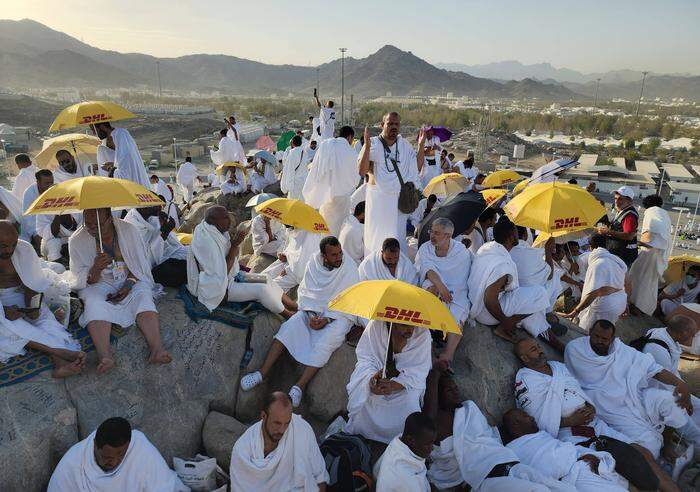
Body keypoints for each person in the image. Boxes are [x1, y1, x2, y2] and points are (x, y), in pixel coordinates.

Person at [513, 338, 661, 491]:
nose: (540, 350)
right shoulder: (526, 380)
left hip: (594, 422)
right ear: (524, 358)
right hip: (569, 433)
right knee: (615, 470)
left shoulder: (558, 367)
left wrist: (590, 407)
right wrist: (571, 420)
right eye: (533, 350)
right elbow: (537, 421)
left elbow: (578, 390)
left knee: (642, 453)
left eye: (538, 346)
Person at [241, 236, 358, 406]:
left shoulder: (349, 268)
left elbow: (350, 301)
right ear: (324, 256)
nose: (339, 257)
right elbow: (306, 294)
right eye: (334, 255)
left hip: (338, 316)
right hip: (312, 312)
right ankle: (262, 373)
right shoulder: (313, 264)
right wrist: (311, 316)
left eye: (339, 253)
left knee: (327, 342)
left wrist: (326, 319)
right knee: (288, 327)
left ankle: (299, 387)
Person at [565, 319, 693, 459]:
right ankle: (655, 460)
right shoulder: (575, 349)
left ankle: (668, 444)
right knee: (650, 444)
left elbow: (653, 369)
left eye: (604, 339)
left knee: (673, 401)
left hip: (634, 396)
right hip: (608, 407)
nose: (599, 341)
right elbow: (574, 381)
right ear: (590, 332)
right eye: (596, 336)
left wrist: (681, 384)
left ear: (612, 339)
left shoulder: (621, 350)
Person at [69, 208, 171, 374]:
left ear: (109, 218)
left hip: (129, 279)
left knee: (143, 295)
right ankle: (105, 356)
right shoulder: (76, 240)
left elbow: (139, 266)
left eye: (98, 224)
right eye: (88, 224)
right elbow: (80, 279)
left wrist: (128, 285)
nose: (93, 228)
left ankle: (157, 349)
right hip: (99, 284)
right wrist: (95, 269)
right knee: (93, 303)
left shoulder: (128, 230)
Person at [422, 376, 560, 492]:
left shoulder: (468, 409)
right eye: (449, 390)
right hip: (486, 479)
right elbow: (429, 417)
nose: (455, 392)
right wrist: (435, 373)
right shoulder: (439, 421)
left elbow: (487, 436)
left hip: (506, 464)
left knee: (561, 488)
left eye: (455, 388)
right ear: (438, 396)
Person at [0, 221, 84, 377]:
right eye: (3, 246)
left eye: (13, 244)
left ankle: (60, 365)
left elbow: (34, 282)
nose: (10, 250)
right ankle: (59, 351)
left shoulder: (24, 248)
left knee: (45, 320)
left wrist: (32, 307)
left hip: (20, 294)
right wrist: (5, 311)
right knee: (12, 327)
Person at [467, 217, 560, 348]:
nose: (518, 235)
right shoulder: (502, 264)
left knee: (524, 296)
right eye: (516, 232)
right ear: (511, 237)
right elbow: (490, 300)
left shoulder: (487, 247)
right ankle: (505, 327)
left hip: (476, 305)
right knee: (540, 294)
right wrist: (506, 322)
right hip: (486, 314)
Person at [186, 206, 292, 317]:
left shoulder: (215, 230)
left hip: (233, 277)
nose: (230, 220)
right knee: (262, 289)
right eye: (225, 217)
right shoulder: (207, 243)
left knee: (266, 278)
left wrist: (234, 242)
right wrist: (235, 245)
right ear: (213, 220)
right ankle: (287, 314)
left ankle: (293, 306)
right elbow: (222, 273)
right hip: (218, 289)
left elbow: (225, 256)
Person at [344, 320, 432, 444]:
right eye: (404, 324)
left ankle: (398, 442)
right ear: (393, 321)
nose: (410, 330)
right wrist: (372, 380)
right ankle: (362, 433)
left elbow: (418, 372)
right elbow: (366, 359)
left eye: (413, 325)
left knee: (410, 402)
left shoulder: (423, 334)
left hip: (405, 385)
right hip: (377, 381)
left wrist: (393, 385)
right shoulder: (376, 325)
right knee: (366, 395)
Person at [48, 417, 187, 491]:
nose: (115, 462)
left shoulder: (139, 447)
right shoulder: (72, 466)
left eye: (121, 455)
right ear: (96, 445)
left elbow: (163, 486)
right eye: (107, 458)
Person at [503, 409, 629, 492]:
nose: (531, 417)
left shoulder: (540, 435)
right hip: (574, 478)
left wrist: (586, 455)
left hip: (584, 465)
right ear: (515, 425)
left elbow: (565, 450)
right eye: (525, 416)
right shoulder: (514, 451)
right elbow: (542, 470)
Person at [229, 392, 328, 490]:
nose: (282, 430)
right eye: (277, 423)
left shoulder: (301, 429)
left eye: (287, 423)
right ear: (263, 416)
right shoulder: (242, 451)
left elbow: (320, 478)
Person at [358, 113, 426, 256]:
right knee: (376, 237)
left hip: (398, 202)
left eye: (397, 124)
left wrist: (421, 146)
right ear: (382, 125)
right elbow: (362, 170)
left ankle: (394, 269)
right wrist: (367, 148)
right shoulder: (374, 144)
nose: (394, 127)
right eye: (390, 124)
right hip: (378, 200)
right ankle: (374, 266)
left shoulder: (404, 146)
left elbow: (417, 168)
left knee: (396, 236)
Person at [642, 315, 700, 455]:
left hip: (671, 389)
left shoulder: (667, 336)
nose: (693, 339)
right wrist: (685, 400)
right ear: (682, 333)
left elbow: (673, 374)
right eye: (692, 335)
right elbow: (665, 383)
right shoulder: (657, 350)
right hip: (656, 394)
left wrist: (686, 392)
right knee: (692, 430)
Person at [414, 218, 469, 364]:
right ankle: (427, 342)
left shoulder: (461, 251)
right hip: (433, 283)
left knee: (458, 311)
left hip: (457, 289)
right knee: (431, 289)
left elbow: (461, 279)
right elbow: (426, 269)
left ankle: (447, 355)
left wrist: (449, 290)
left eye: (437, 233)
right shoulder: (425, 248)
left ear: (448, 236)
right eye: (432, 231)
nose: (432, 235)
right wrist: (440, 286)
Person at [560, 234, 628, 332]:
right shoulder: (617, 261)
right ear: (607, 246)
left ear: (590, 247)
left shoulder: (597, 264)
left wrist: (576, 311)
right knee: (607, 330)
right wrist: (626, 303)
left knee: (588, 331)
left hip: (605, 306)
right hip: (620, 302)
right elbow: (628, 284)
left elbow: (593, 293)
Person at [302, 126, 359, 235]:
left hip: (325, 194)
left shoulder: (325, 145)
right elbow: (356, 178)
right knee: (339, 229)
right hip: (342, 197)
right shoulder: (351, 153)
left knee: (325, 226)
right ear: (350, 137)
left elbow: (315, 167)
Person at [628, 194, 672, 315]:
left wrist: (635, 241)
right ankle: (644, 308)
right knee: (650, 283)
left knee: (636, 277)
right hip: (659, 253)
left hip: (649, 253)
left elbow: (648, 234)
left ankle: (636, 306)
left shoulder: (650, 211)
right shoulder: (664, 213)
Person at [123, 206, 188, 288]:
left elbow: (172, 244)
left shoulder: (152, 219)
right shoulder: (131, 225)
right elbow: (144, 257)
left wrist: (164, 227)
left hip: (163, 254)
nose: (160, 207)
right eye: (155, 206)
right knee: (176, 270)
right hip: (146, 267)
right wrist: (164, 233)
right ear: (144, 208)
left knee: (189, 253)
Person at [372, 412, 434, 491]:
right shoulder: (407, 479)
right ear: (411, 440)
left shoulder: (398, 443)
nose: (432, 448)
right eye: (428, 444)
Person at [510, 228, 563, 314]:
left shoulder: (507, 248)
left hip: (513, 294)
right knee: (555, 277)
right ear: (525, 235)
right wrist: (548, 251)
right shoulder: (532, 253)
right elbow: (549, 276)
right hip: (524, 296)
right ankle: (547, 312)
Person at [92, 123, 150, 188]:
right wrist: (114, 165)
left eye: (94, 129)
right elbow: (127, 165)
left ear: (102, 127)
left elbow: (124, 177)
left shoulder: (120, 135)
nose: (94, 133)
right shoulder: (120, 135)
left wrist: (109, 168)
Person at [598, 186, 638, 266]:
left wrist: (608, 232)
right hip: (619, 253)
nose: (616, 202)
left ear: (629, 200)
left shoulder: (629, 215)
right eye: (615, 198)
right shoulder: (622, 211)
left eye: (620, 199)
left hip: (623, 256)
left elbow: (629, 235)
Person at [21, 169, 54, 252]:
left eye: (51, 182)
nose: (50, 185)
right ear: (38, 182)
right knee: (42, 246)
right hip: (34, 226)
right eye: (47, 183)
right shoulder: (29, 193)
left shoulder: (54, 189)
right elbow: (28, 217)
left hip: (50, 223)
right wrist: (36, 234)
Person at [280, 135, 311, 200]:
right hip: (304, 180)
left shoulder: (292, 153)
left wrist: (287, 186)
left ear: (293, 143)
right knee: (303, 200)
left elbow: (289, 170)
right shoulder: (304, 152)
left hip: (295, 182)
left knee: (294, 201)